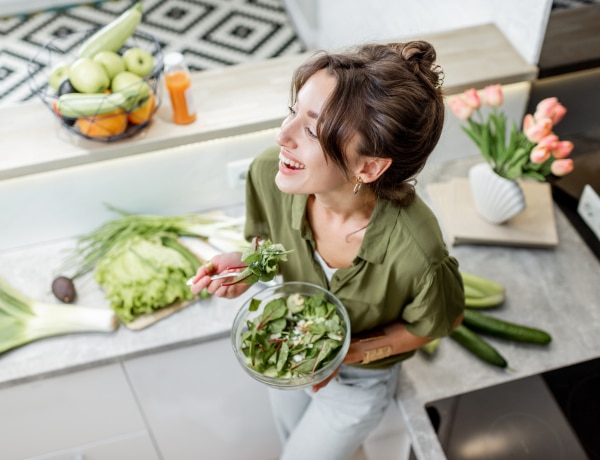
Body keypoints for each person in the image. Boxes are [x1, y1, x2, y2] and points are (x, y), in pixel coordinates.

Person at [189, 40, 465, 460]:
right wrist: (250, 266)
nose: (283, 136)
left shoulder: (418, 249)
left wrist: (347, 352)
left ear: (368, 167)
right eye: (291, 112)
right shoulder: (271, 172)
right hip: (290, 345)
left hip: (360, 382)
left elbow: (439, 322)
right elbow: (273, 244)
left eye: (312, 129)